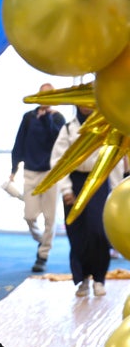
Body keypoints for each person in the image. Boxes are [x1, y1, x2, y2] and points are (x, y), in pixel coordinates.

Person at [51, 106, 123, 297]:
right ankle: (82, 279)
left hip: (100, 182)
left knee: (99, 231)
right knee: (77, 233)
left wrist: (115, 189)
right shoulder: (68, 129)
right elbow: (58, 161)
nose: (86, 106)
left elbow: (115, 157)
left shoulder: (107, 126)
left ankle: (99, 279)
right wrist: (66, 189)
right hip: (75, 182)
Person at [9, 83, 66, 273]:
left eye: (49, 96)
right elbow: (19, 142)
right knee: (29, 215)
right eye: (43, 95)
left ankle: (43, 254)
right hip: (31, 171)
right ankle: (42, 240)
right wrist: (14, 169)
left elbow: (58, 140)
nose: (45, 99)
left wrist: (48, 118)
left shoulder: (58, 118)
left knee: (50, 217)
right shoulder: (28, 117)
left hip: (51, 173)